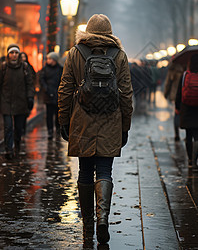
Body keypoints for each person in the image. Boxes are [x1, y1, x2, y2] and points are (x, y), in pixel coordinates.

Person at [58, 14, 133, 246]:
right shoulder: (119, 55)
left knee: (84, 171)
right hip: (110, 121)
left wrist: (64, 120)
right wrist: (125, 126)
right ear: (109, 33)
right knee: (104, 171)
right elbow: (127, 94)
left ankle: (87, 224)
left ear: (87, 32)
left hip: (82, 120)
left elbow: (64, 90)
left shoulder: (74, 54)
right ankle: (103, 219)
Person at [0, 44, 34, 159]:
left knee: (18, 128)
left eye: (16, 53)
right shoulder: (3, 67)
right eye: (12, 53)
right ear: (8, 54)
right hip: (6, 102)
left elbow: (29, 84)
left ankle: (17, 146)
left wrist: (30, 97)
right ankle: (8, 149)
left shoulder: (25, 67)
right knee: (8, 127)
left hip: (21, 102)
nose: (14, 55)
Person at [39, 51, 63, 140]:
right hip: (48, 95)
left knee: (58, 115)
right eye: (48, 58)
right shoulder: (45, 69)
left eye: (50, 59)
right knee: (49, 115)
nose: (48, 60)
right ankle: (50, 131)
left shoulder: (60, 69)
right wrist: (46, 89)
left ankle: (57, 130)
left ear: (55, 60)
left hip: (58, 95)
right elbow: (42, 80)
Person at [163, 61, 184, 140]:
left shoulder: (172, 70)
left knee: (177, 113)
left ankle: (177, 134)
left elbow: (168, 83)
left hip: (175, 95)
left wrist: (166, 93)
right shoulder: (186, 69)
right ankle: (187, 134)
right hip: (185, 95)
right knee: (185, 114)